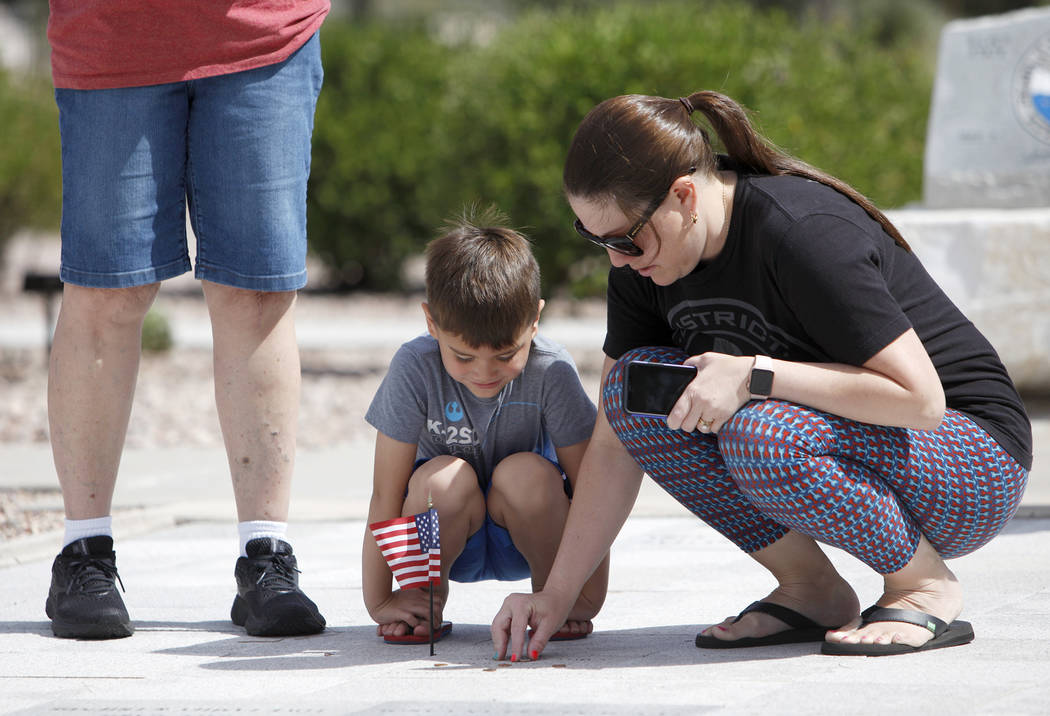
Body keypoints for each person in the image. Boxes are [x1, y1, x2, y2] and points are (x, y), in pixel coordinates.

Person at [492, 90, 1032, 660]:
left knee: (761, 432)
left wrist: (756, 375)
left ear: (683, 195)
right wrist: (556, 595)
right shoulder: (644, 266)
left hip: (971, 463)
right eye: (594, 238)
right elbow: (613, 439)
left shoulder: (802, 231)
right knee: (632, 391)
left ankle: (924, 585)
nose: (617, 260)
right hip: (853, 443)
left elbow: (920, 401)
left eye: (625, 239)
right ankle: (813, 590)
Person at [43, 1, 330, 639]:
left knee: (256, 292)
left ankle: (267, 556)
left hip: (264, 30)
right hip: (112, 33)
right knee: (106, 290)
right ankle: (83, 553)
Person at [363, 210, 606, 645]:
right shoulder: (414, 367)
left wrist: (585, 596)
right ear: (431, 322)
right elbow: (385, 491)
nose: (484, 373)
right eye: (463, 357)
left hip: (533, 528)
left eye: (506, 353)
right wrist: (379, 601)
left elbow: (593, 491)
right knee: (441, 479)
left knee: (525, 473)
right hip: (446, 530)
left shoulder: (551, 370)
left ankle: (554, 594)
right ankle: (422, 601)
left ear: (535, 319)